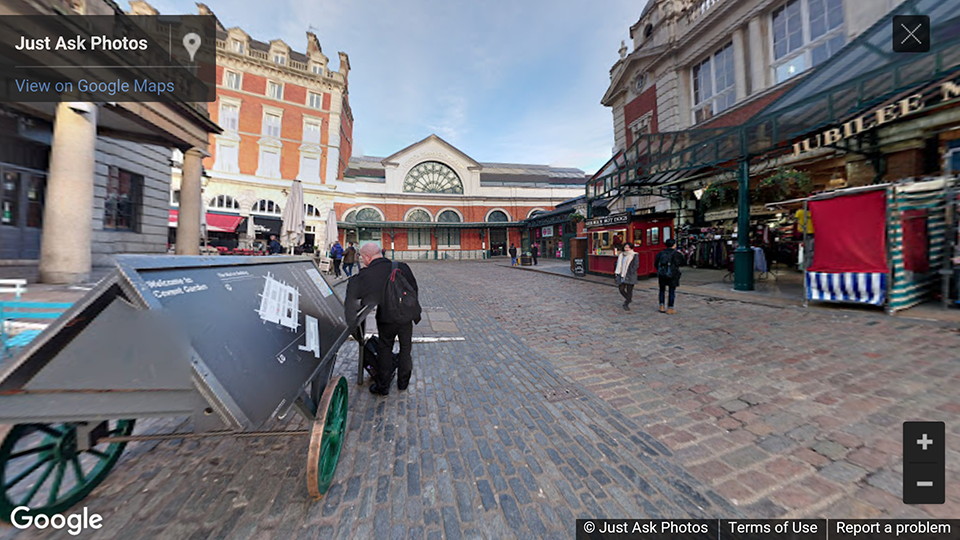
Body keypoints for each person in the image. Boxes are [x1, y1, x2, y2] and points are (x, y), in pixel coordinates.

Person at [344, 244, 420, 395]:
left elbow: (352, 296)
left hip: (386, 318)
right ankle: (403, 383)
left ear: (367, 257)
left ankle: (383, 386)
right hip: (406, 317)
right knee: (406, 348)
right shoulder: (401, 266)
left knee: (385, 348)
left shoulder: (367, 274)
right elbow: (414, 289)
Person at [655, 238, 685, 314]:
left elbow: (656, 263)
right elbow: (682, 263)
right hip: (672, 274)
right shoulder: (676, 254)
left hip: (662, 274)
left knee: (662, 290)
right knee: (671, 291)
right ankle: (670, 308)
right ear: (674, 245)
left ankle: (661, 306)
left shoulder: (661, 253)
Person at [614, 242, 639, 311]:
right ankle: (628, 298)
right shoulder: (621, 255)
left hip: (630, 275)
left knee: (629, 290)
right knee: (621, 289)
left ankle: (626, 303)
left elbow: (636, 265)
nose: (627, 249)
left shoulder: (634, 255)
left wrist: (631, 272)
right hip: (621, 274)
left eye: (628, 247)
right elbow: (619, 264)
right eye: (625, 247)